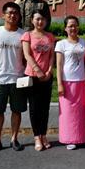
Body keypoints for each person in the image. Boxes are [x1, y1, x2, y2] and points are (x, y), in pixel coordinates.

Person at [0, 2, 27, 153]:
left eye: (15, 13)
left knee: (17, 110)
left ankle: (14, 139)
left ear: (19, 16)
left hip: (18, 78)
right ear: (3, 15)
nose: (12, 15)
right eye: (9, 13)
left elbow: (26, 56)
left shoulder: (23, 35)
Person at [21, 9, 56, 151]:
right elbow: (27, 55)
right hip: (32, 76)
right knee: (34, 107)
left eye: (43, 19)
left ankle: (43, 135)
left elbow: (52, 55)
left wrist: (49, 71)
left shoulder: (50, 36)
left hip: (47, 76)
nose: (40, 22)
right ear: (32, 20)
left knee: (45, 107)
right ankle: (36, 136)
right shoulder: (27, 35)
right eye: (37, 19)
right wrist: (38, 71)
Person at [55, 15, 85, 150]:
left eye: (75, 25)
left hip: (81, 81)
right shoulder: (61, 44)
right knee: (67, 112)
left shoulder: (84, 43)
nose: (73, 28)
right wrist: (59, 84)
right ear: (65, 28)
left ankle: (81, 137)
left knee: (80, 112)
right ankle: (69, 139)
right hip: (67, 82)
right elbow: (58, 65)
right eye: (70, 26)